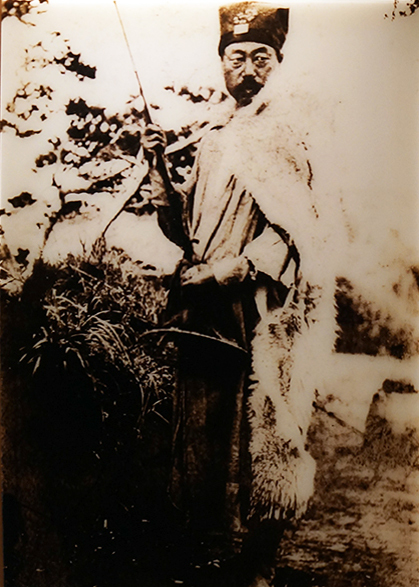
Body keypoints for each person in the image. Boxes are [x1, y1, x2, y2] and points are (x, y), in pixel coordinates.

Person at [142, 3, 325, 585]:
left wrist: (227, 271)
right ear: (222, 64)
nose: (247, 70)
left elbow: (293, 230)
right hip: (204, 306)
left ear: (277, 63)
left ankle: (258, 560)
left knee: (268, 427)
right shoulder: (215, 137)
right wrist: (157, 169)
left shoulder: (285, 131)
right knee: (199, 426)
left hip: (262, 306)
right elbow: (185, 231)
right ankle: (201, 549)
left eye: (260, 58)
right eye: (237, 57)